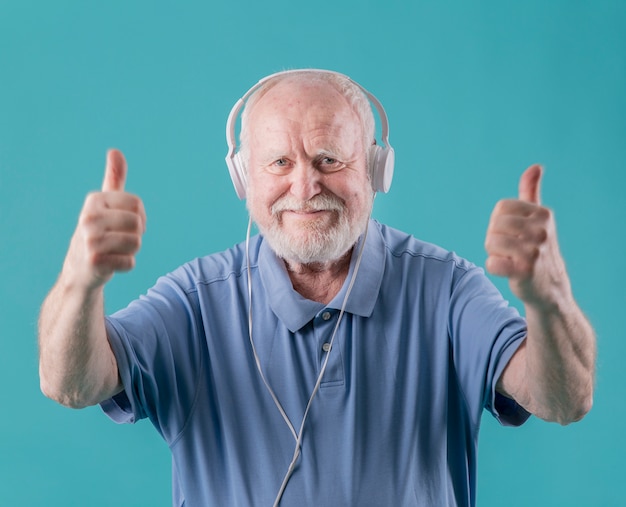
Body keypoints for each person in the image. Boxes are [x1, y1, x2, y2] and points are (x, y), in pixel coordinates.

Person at [38, 69, 596, 507]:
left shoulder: (447, 288)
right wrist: (80, 283)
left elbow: (565, 399)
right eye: (279, 162)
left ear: (377, 169)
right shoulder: (195, 300)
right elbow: (70, 383)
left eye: (329, 159)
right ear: (243, 178)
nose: (304, 186)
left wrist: (548, 301)